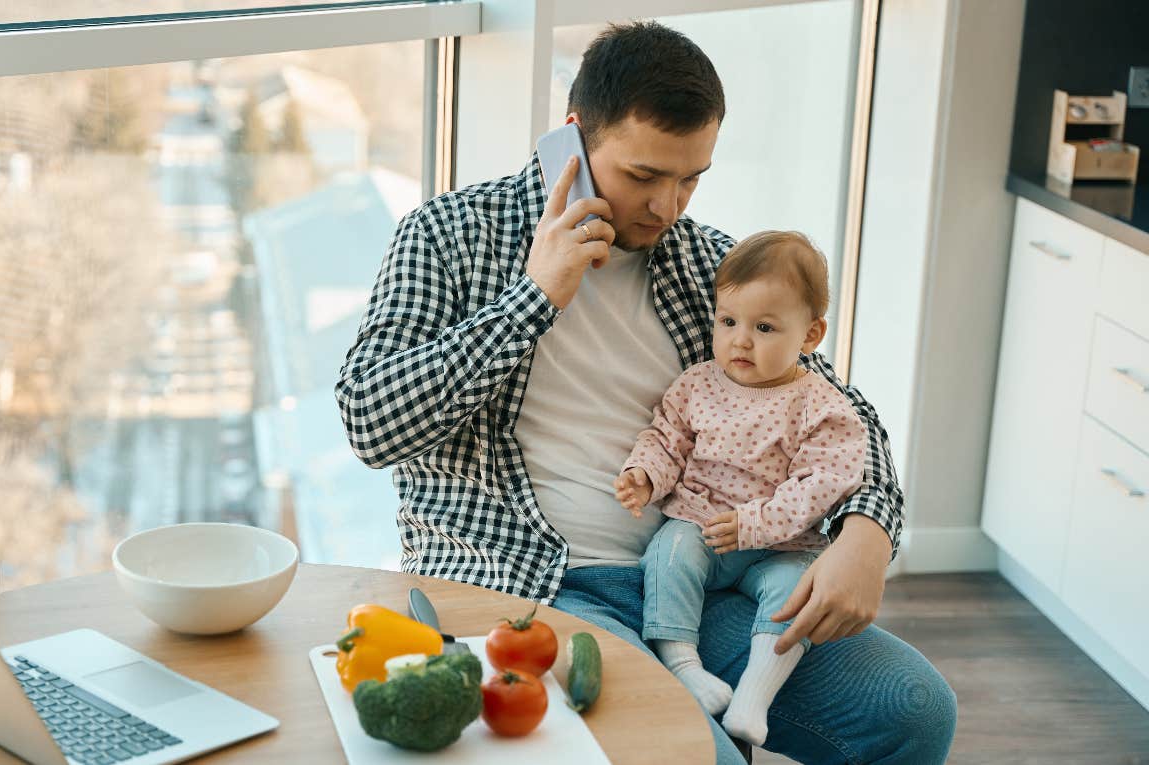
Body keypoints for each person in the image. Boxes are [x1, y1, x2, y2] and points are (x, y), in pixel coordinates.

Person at [336, 20, 956, 763]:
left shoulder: (710, 266)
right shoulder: (448, 234)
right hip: (529, 585)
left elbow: (838, 412)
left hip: (699, 579)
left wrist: (868, 532)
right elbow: (370, 421)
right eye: (643, 175)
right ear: (574, 136)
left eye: (691, 177)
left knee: (915, 711)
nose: (669, 206)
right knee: (700, 756)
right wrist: (534, 298)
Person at [613, 231, 867, 746]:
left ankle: (756, 692)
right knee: (668, 555)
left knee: (793, 595)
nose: (741, 340)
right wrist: (645, 475)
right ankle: (684, 665)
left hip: (781, 544)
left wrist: (756, 524)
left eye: (765, 327)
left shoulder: (822, 406)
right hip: (702, 525)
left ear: (811, 335)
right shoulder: (698, 384)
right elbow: (667, 439)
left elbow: (823, 482)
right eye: (727, 322)